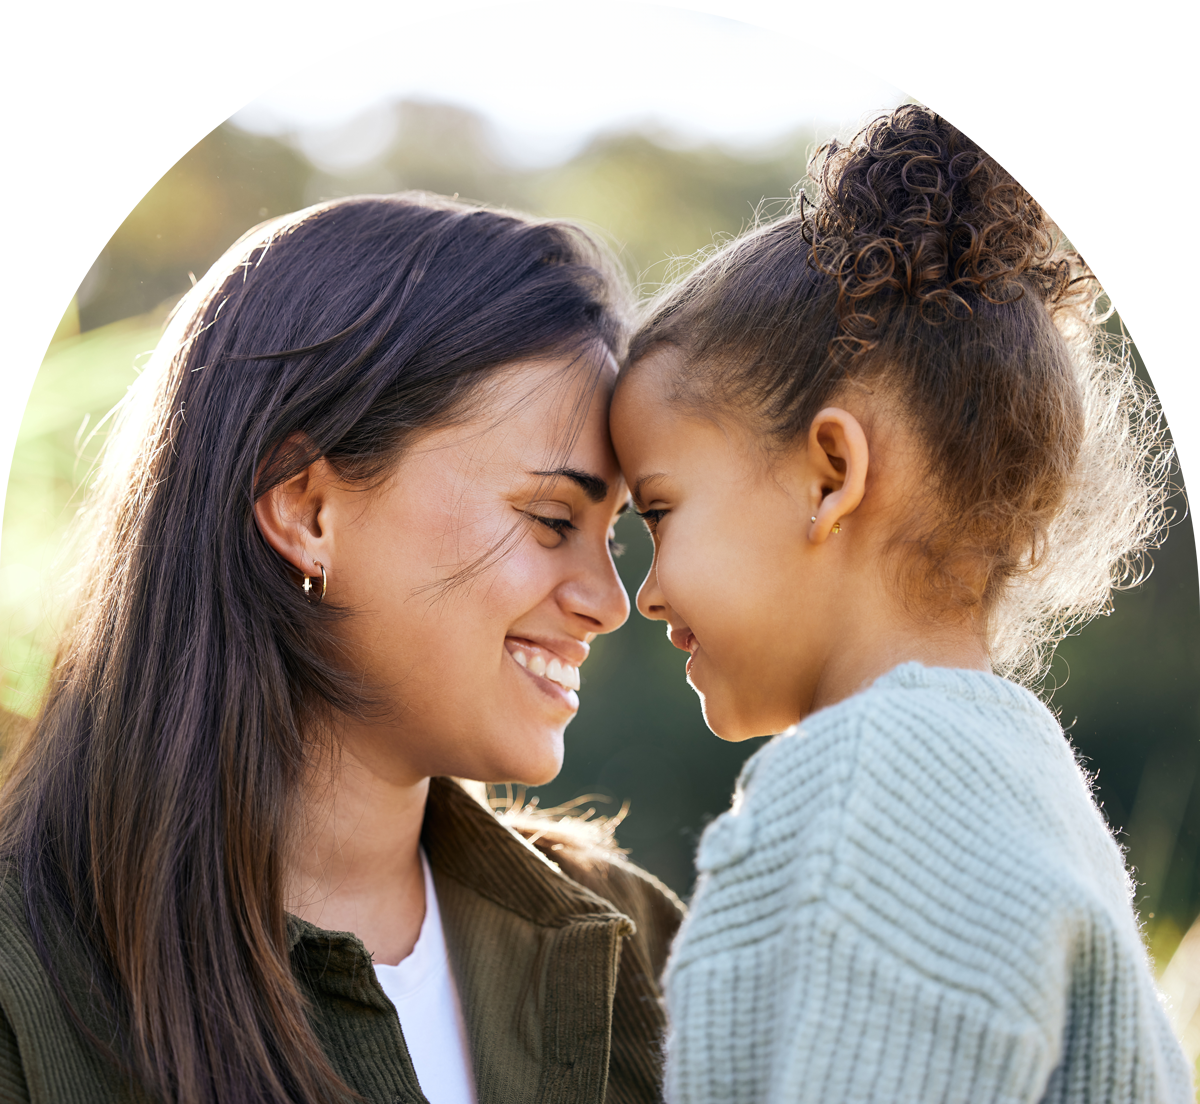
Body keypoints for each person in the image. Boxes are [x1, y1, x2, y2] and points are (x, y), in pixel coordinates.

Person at [0, 194, 683, 1104]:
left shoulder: (636, 939)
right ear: (305, 508)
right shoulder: (26, 986)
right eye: (552, 519)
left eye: (616, 535)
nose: (608, 601)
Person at [611, 97, 1191, 1102]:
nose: (645, 594)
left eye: (660, 511)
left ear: (830, 471)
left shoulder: (880, 788)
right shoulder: (1009, 773)